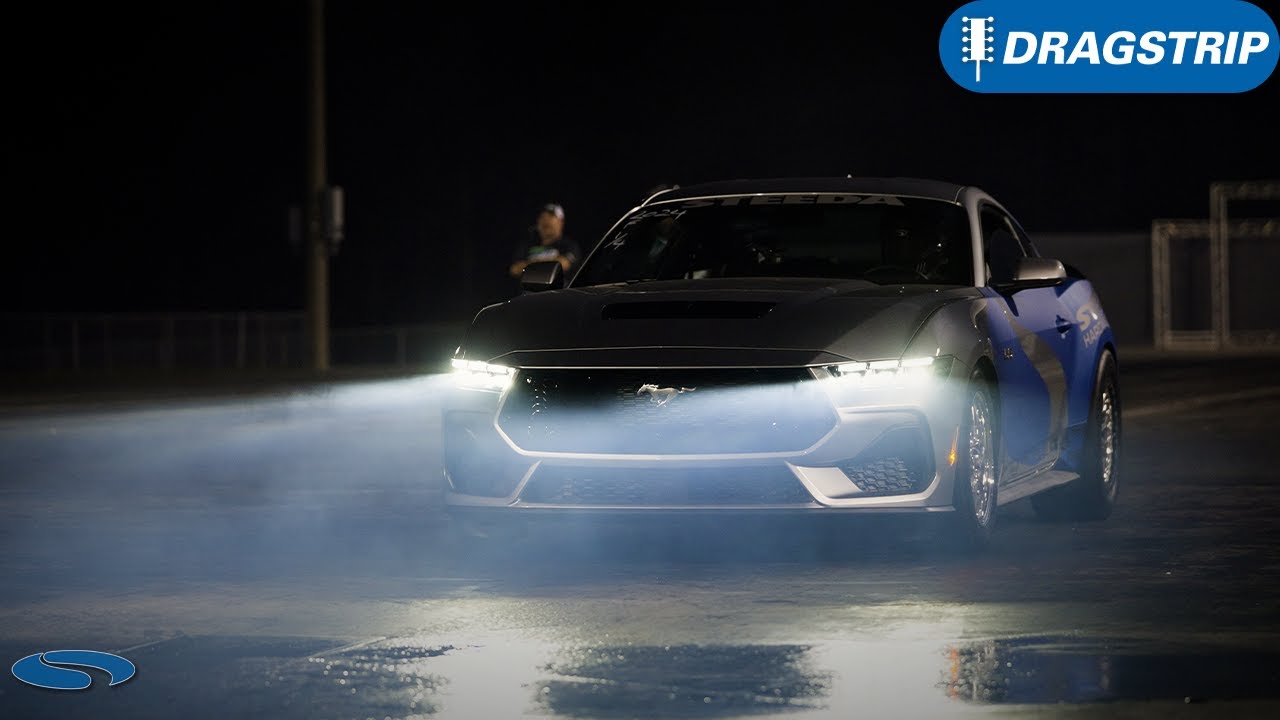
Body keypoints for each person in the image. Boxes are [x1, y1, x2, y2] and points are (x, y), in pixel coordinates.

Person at [509, 203, 581, 283]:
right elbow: (514, 270)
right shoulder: (527, 245)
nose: (545, 220)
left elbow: (563, 265)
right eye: (542, 217)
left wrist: (527, 266)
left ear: (561, 222)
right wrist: (550, 263)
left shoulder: (569, 245)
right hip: (529, 294)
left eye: (550, 216)